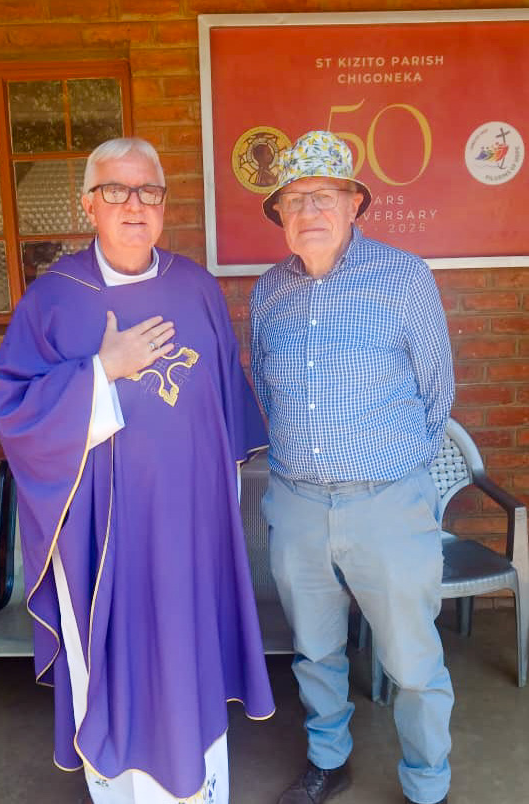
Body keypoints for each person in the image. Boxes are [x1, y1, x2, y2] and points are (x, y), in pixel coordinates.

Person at [0, 137, 274, 804]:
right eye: (115, 190)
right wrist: (100, 371)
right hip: (100, 540)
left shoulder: (196, 286)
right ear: (89, 205)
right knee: (119, 669)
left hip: (191, 533)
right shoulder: (53, 301)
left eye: (148, 190)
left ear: (164, 205)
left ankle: (200, 792)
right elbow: (15, 408)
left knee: (187, 665)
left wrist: (215, 510)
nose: (134, 204)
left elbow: (223, 408)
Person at [250, 131, 454, 804]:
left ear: (353, 203)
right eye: (295, 198)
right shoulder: (266, 293)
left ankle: (427, 781)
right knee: (314, 650)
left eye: (326, 195)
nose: (310, 209)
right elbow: (268, 391)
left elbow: (436, 393)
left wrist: (398, 479)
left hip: (386, 504)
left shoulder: (404, 278)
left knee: (413, 663)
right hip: (298, 504)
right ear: (279, 213)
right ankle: (328, 758)